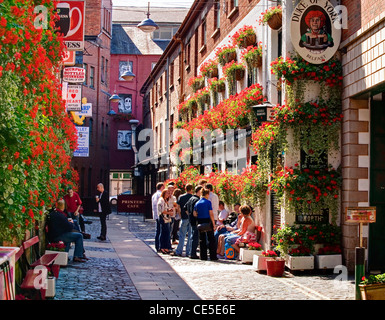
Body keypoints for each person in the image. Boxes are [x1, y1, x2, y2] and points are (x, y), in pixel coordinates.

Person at [193, 188, 218, 261]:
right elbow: (211, 213)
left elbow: (194, 213)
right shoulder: (208, 202)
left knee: (202, 239)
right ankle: (213, 256)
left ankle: (203, 256)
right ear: (207, 194)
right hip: (207, 220)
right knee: (211, 239)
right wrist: (213, 224)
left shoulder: (197, 203)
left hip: (200, 221)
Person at [174, 184, 194, 257]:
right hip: (191, 218)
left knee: (182, 235)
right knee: (190, 235)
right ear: (191, 189)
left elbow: (178, 207)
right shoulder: (193, 197)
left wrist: (180, 214)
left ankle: (179, 250)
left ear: (185, 189)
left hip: (184, 217)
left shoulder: (181, 197)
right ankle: (188, 251)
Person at [184, 185, 203, 259]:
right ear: (199, 191)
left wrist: (189, 215)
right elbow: (196, 211)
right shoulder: (197, 200)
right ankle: (193, 253)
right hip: (195, 221)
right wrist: (195, 215)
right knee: (195, 237)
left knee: (192, 236)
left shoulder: (191, 198)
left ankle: (191, 252)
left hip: (191, 220)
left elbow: (185, 208)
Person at [157, 188, 174, 254]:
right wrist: (169, 213)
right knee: (164, 233)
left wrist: (169, 210)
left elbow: (165, 209)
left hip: (166, 218)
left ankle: (165, 247)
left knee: (166, 233)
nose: (168, 195)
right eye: (167, 193)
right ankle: (162, 247)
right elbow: (162, 211)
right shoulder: (161, 200)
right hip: (163, 218)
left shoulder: (165, 200)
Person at [152, 182, 165, 252]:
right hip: (160, 215)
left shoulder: (154, 194)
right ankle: (159, 246)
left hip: (156, 214)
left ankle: (157, 246)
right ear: (162, 187)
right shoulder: (160, 195)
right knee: (160, 231)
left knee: (158, 230)